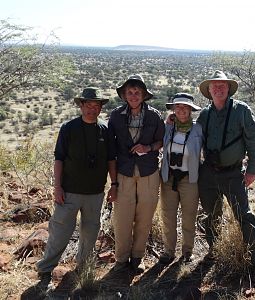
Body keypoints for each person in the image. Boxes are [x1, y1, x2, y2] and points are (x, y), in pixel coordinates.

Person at [197, 70, 255, 284]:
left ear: (228, 88)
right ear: (209, 90)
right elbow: (193, 139)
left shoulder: (241, 111)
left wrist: (252, 169)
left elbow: (253, 142)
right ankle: (214, 250)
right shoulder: (204, 114)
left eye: (222, 85)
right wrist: (172, 121)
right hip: (208, 174)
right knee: (211, 215)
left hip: (233, 174)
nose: (218, 88)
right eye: (214, 86)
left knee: (244, 216)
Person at [36, 87, 109, 288]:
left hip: (95, 192)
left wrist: (116, 184)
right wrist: (57, 187)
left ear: (100, 108)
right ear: (81, 106)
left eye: (96, 105)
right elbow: (59, 158)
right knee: (59, 231)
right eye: (88, 105)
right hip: (69, 191)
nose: (91, 109)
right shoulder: (68, 128)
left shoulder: (105, 130)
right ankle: (45, 269)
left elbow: (112, 159)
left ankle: (82, 268)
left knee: (90, 232)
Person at [107, 74, 165, 273]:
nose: (133, 96)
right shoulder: (116, 116)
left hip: (149, 172)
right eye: (130, 92)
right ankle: (121, 259)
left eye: (137, 92)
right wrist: (112, 182)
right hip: (124, 172)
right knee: (122, 217)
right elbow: (110, 148)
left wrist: (148, 148)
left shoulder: (154, 116)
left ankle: (137, 257)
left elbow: (161, 141)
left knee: (145, 216)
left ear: (143, 95)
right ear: (124, 95)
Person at [159, 93, 203, 264]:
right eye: (178, 107)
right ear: (173, 109)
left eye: (185, 107)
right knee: (168, 216)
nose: (182, 110)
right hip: (169, 177)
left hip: (189, 179)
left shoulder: (198, 128)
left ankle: (187, 252)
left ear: (191, 110)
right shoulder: (168, 127)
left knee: (189, 216)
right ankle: (168, 251)